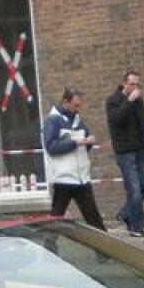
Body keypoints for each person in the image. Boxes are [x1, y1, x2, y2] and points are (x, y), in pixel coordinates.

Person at [42, 87, 106, 230]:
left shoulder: (79, 120)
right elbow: (51, 147)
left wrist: (89, 142)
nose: (78, 108)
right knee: (56, 220)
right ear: (66, 101)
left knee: (94, 219)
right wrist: (76, 142)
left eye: (79, 105)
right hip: (63, 179)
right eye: (75, 105)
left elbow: (85, 146)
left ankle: (107, 249)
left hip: (82, 179)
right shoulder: (52, 121)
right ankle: (49, 248)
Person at [106, 70, 144, 237]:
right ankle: (136, 228)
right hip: (125, 153)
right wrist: (128, 101)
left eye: (137, 84)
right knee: (133, 190)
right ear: (124, 84)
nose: (135, 87)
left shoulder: (138, 101)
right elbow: (116, 120)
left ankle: (125, 214)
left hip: (140, 149)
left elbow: (143, 121)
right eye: (132, 84)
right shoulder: (113, 101)